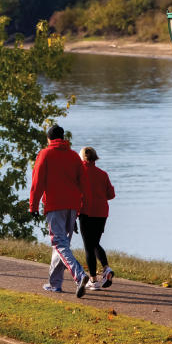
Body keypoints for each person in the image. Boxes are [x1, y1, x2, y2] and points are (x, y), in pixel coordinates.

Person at [29, 124, 89, 297]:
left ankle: (79, 275)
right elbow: (83, 184)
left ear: (49, 139)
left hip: (55, 205)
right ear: (63, 138)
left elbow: (37, 181)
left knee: (59, 244)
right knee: (62, 245)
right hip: (72, 206)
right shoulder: (73, 156)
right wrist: (80, 209)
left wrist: (33, 205)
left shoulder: (45, 154)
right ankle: (54, 284)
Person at [78, 146, 116, 290]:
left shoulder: (80, 172)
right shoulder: (102, 174)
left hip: (86, 212)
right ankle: (106, 269)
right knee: (94, 243)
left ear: (83, 158)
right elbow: (111, 195)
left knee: (89, 246)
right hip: (101, 213)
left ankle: (93, 280)